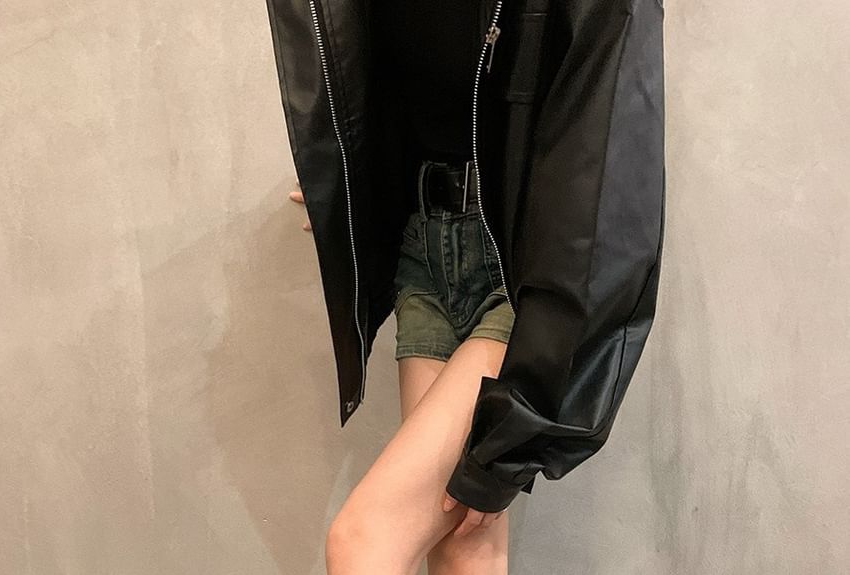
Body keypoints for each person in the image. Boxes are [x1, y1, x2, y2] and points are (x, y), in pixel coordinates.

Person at [271, 0, 665, 572]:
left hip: (527, 273)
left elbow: (610, 172)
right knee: (462, 546)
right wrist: (350, 182)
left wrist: (512, 445)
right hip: (425, 254)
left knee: (363, 540)